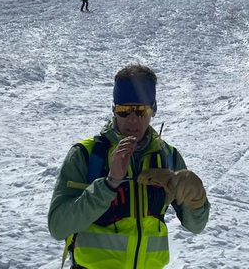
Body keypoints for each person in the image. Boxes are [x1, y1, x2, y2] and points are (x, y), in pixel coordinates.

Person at [48, 64, 210, 269]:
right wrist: (109, 185)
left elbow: (196, 226)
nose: (132, 119)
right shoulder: (86, 155)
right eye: (124, 110)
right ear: (114, 110)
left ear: (153, 111)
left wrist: (196, 199)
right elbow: (57, 227)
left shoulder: (168, 157)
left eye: (141, 111)